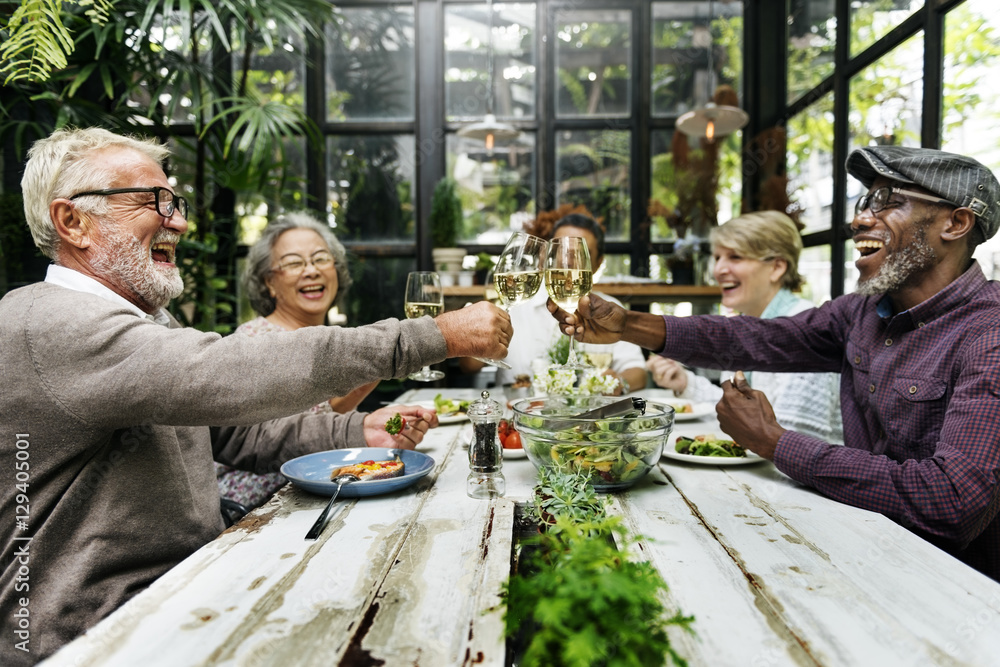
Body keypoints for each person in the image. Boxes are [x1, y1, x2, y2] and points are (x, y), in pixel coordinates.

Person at [0, 127, 511, 664]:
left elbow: (236, 434)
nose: (178, 220)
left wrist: (356, 430)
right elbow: (229, 371)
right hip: (85, 637)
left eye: (175, 202)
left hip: (188, 589)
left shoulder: (143, 321)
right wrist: (436, 337)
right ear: (73, 221)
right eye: (153, 202)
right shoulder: (49, 322)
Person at [548, 145, 1000, 582]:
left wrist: (774, 441)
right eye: (865, 201)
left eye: (888, 202)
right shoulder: (861, 312)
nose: (860, 218)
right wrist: (627, 325)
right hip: (858, 544)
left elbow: (953, 500)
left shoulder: (989, 335)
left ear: (956, 222)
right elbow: (754, 336)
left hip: (946, 585)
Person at [216, 211, 378, 509]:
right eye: (293, 263)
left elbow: (324, 417)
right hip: (256, 508)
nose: (311, 270)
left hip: (317, 492)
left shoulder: (333, 337)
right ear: (270, 283)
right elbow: (272, 440)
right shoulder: (254, 341)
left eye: (320, 259)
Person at [646, 211, 843, 444]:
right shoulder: (746, 324)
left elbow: (793, 442)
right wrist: (684, 382)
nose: (718, 270)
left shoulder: (802, 329)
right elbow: (737, 414)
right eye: (717, 257)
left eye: (735, 257)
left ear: (777, 267)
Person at [462, 213, 647, 395]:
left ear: (598, 263)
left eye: (579, 254)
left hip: (586, 420)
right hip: (516, 415)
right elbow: (468, 366)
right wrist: (476, 340)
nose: (567, 262)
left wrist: (619, 383)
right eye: (560, 251)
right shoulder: (517, 301)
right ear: (545, 257)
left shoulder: (609, 310)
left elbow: (638, 372)